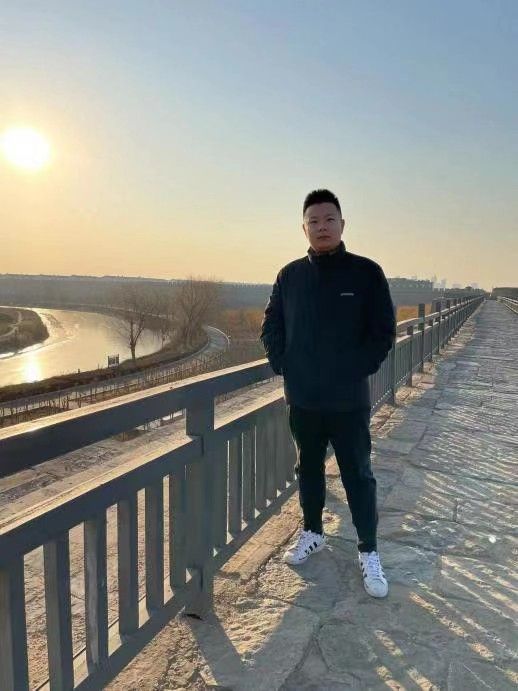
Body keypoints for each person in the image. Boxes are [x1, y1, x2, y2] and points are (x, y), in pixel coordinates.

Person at [260, 188, 396, 598]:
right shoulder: (290, 276)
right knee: (308, 469)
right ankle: (313, 532)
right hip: (303, 399)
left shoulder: (366, 273)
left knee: (358, 473)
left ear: (342, 224)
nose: (322, 227)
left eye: (329, 220)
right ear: (304, 228)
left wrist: (355, 370)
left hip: (348, 400)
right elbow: (271, 325)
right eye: (314, 221)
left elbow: (382, 332)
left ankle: (368, 549)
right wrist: (283, 364)